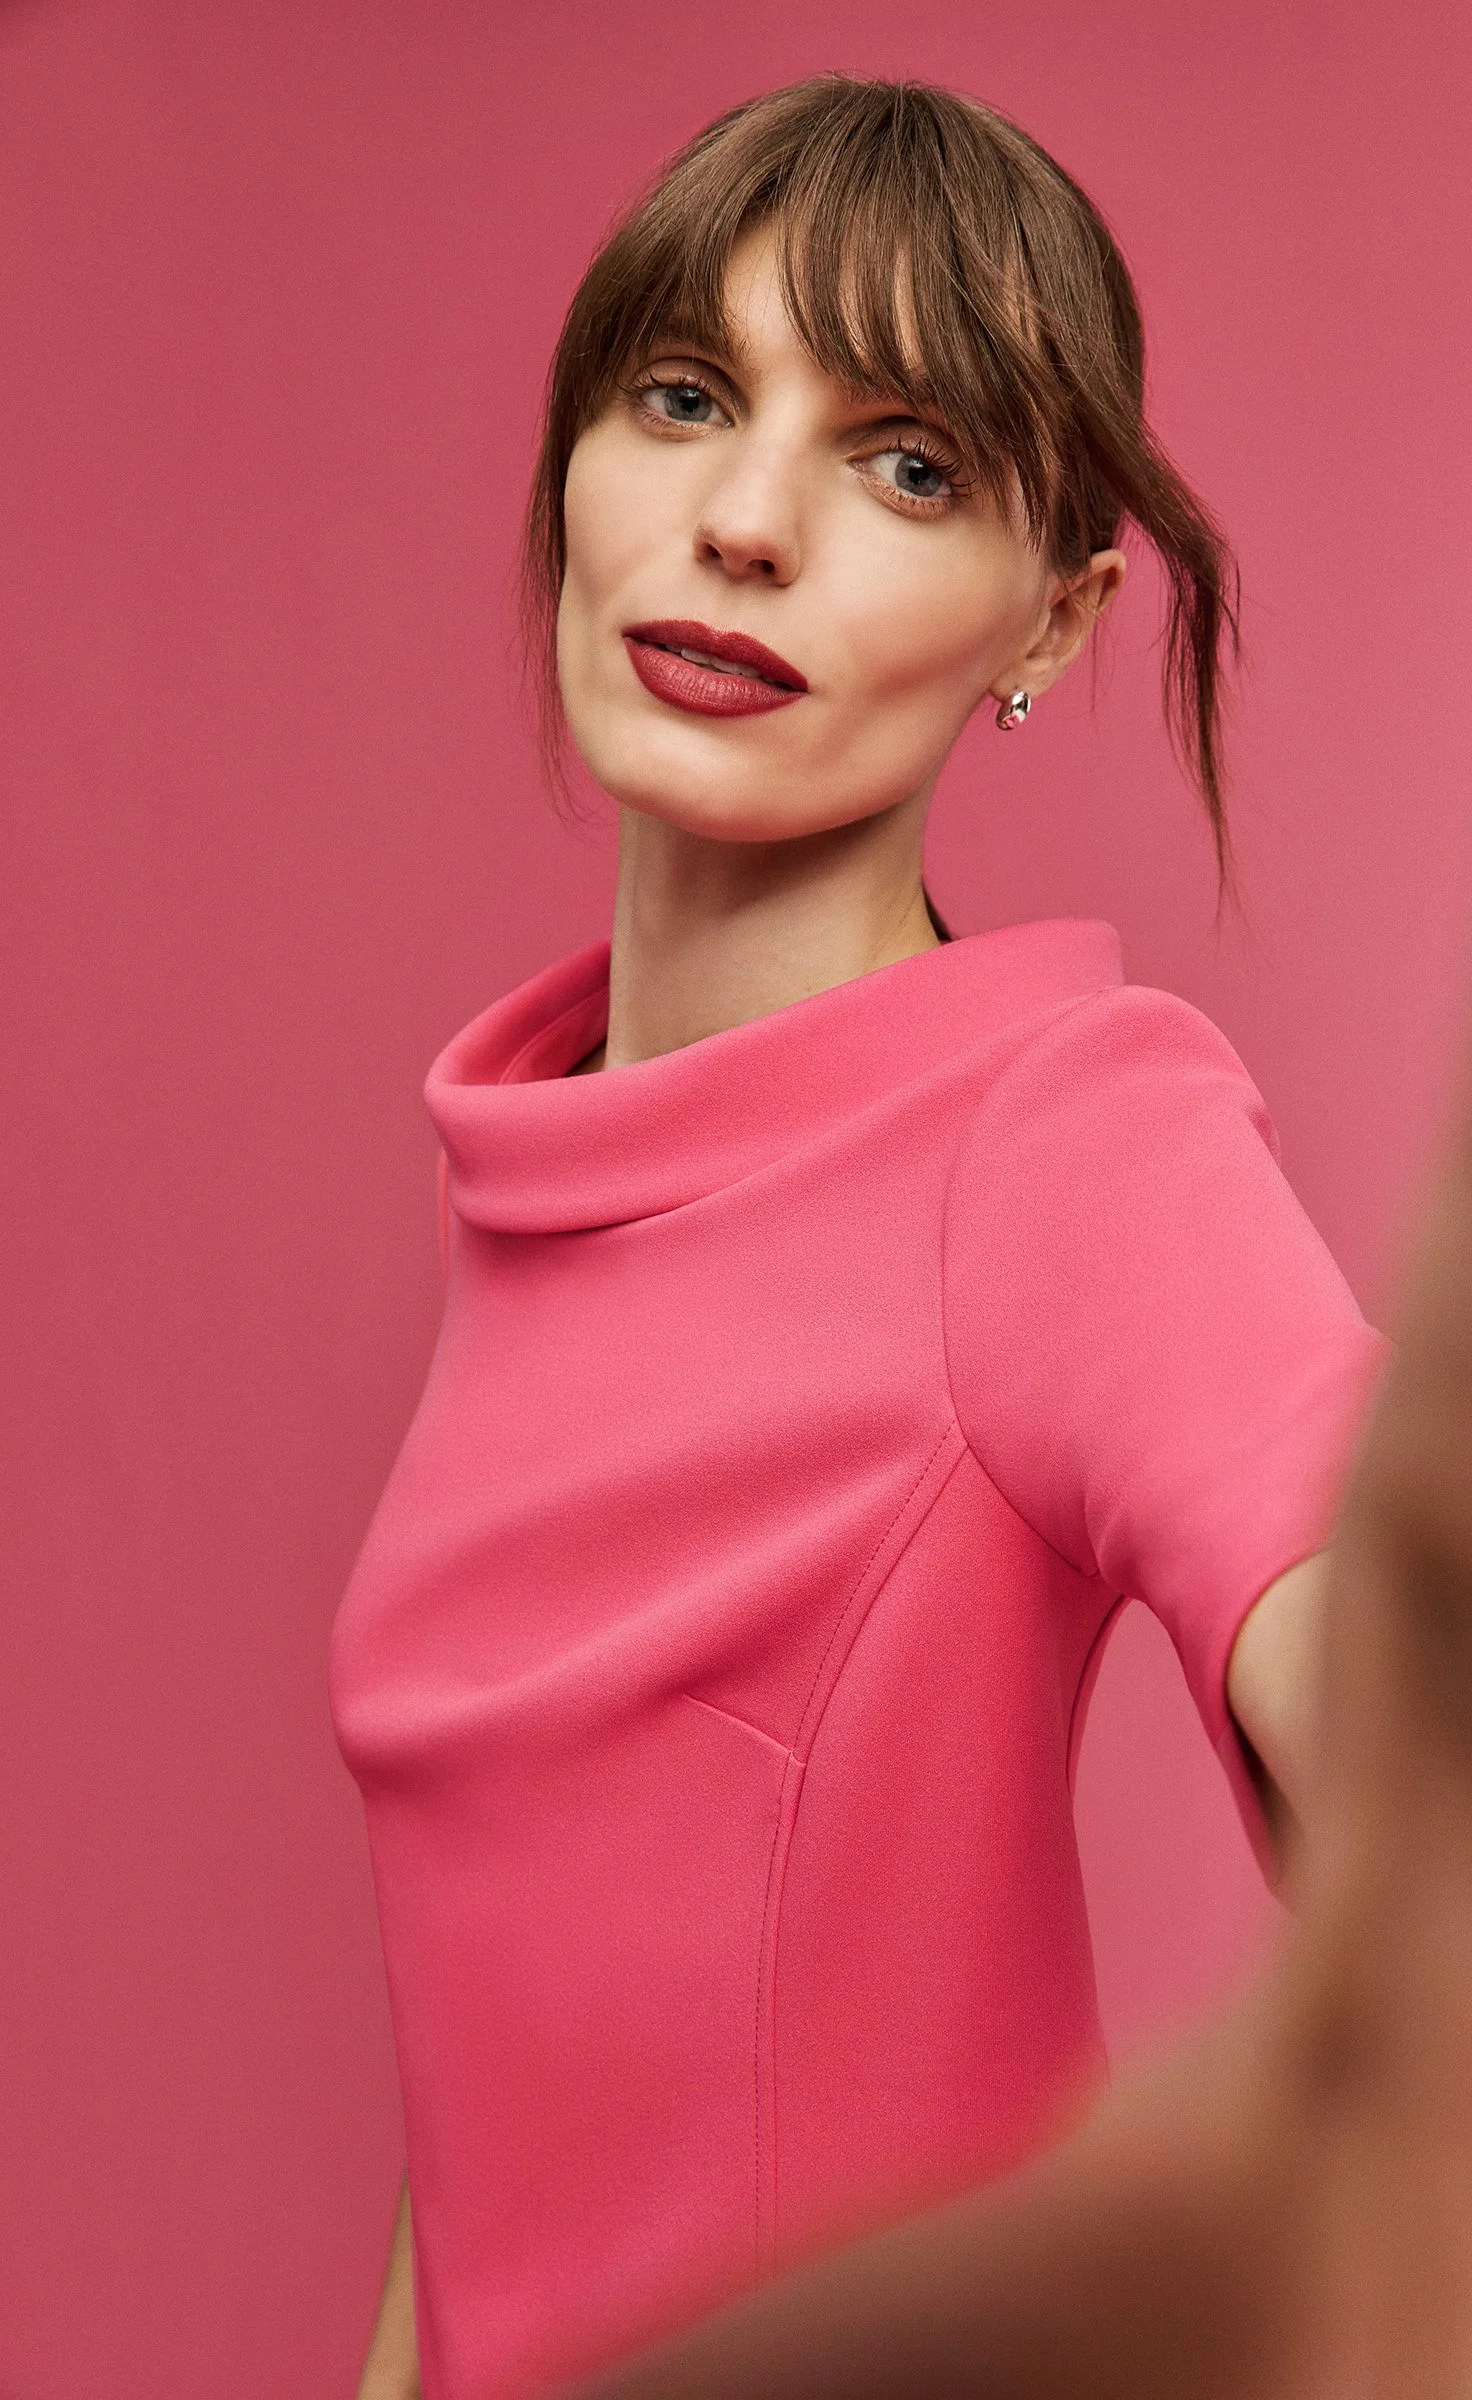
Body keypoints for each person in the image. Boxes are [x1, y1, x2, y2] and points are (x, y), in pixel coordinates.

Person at [333, 76, 1391, 2400]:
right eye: (686, 395)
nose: (739, 522)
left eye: (904, 464)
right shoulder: (542, 1155)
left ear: (1054, 609)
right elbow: (507, 2122)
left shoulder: (1058, 1140)